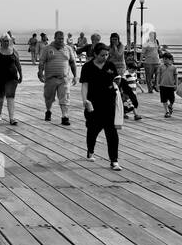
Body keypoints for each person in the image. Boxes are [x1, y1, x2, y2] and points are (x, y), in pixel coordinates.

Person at [80, 41, 122, 169]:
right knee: (93, 130)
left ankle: (114, 161)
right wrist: (85, 100)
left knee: (112, 132)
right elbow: (84, 85)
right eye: (102, 55)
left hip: (109, 102)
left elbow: (117, 80)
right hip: (93, 103)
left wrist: (117, 87)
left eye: (107, 55)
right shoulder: (87, 67)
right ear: (95, 54)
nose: (105, 57)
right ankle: (90, 150)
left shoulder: (110, 65)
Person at [38, 29, 78, 126]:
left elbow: (72, 63)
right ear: (55, 38)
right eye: (59, 38)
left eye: (62, 38)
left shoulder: (68, 49)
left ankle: (65, 116)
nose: (61, 40)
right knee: (49, 97)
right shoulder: (47, 49)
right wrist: (40, 72)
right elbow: (42, 62)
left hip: (63, 78)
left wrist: (75, 76)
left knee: (64, 97)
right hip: (50, 78)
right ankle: (48, 111)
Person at [0, 32, 22, 125]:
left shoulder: (14, 51)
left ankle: (12, 118)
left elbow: (18, 64)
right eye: (4, 41)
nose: (6, 43)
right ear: (1, 42)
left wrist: (21, 75)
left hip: (12, 78)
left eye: (8, 41)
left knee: (10, 96)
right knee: (0, 97)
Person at [157, 52, 178, 118]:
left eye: (166, 59)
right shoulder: (161, 67)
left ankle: (170, 105)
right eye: (163, 59)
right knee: (164, 100)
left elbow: (176, 77)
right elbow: (158, 76)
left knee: (172, 99)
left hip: (171, 86)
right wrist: (157, 84)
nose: (164, 60)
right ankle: (167, 111)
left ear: (170, 59)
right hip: (163, 85)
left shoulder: (174, 67)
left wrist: (176, 85)